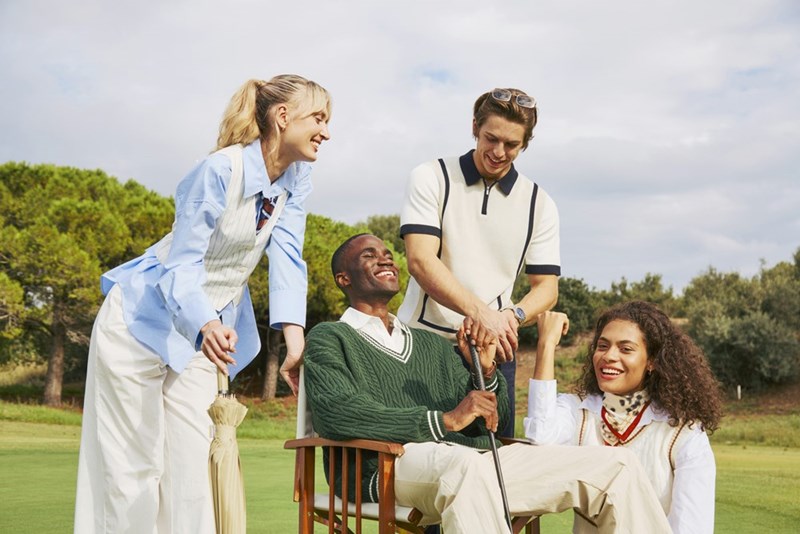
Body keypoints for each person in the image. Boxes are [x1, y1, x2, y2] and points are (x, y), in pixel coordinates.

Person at [74, 75, 331, 533]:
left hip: (199, 335)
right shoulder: (220, 170)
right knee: (133, 472)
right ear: (282, 116)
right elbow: (182, 263)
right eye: (318, 118)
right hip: (140, 324)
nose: (325, 132)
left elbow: (288, 251)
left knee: (193, 471)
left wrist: (295, 336)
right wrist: (207, 322)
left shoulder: (297, 176)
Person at [304, 234, 672, 534]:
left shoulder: (430, 343)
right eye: (371, 255)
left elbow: (492, 422)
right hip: (381, 469)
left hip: (473, 462)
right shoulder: (330, 338)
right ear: (343, 278)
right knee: (468, 468)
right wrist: (443, 421)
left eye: (388, 254)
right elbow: (336, 412)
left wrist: (484, 371)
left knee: (616, 466)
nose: (387, 259)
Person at [398, 87, 560, 438]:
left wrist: (511, 317)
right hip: (422, 344)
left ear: (525, 145)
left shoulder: (539, 203)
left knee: (492, 465)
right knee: (416, 459)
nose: (499, 152)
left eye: (512, 144)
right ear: (474, 127)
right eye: (491, 138)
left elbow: (546, 288)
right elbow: (421, 260)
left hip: (495, 352)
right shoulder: (432, 176)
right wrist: (480, 312)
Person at [524, 302, 723, 533]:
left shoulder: (684, 433)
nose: (609, 356)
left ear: (651, 362)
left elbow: (692, 528)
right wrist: (546, 344)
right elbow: (540, 437)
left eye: (626, 349)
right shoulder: (579, 411)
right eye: (602, 345)